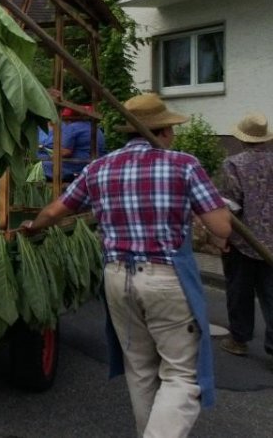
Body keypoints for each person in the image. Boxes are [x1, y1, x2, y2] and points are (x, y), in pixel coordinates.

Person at [21, 93, 232, 438]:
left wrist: (33, 227)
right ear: (163, 131)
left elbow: (55, 211)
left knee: (140, 370)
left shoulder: (99, 168)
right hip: (165, 278)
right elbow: (222, 228)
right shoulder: (183, 164)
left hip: (117, 277)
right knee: (181, 375)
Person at [217, 112, 273, 360]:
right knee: (272, 294)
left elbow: (230, 207)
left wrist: (222, 238)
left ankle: (239, 339)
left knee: (240, 291)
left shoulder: (233, 164)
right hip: (271, 243)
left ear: (241, 138)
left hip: (243, 241)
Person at [37, 107, 107, 182]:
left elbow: (66, 152)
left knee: (42, 165)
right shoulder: (97, 129)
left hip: (77, 165)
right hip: (93, 163)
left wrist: (50, 153)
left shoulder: (73, 127)